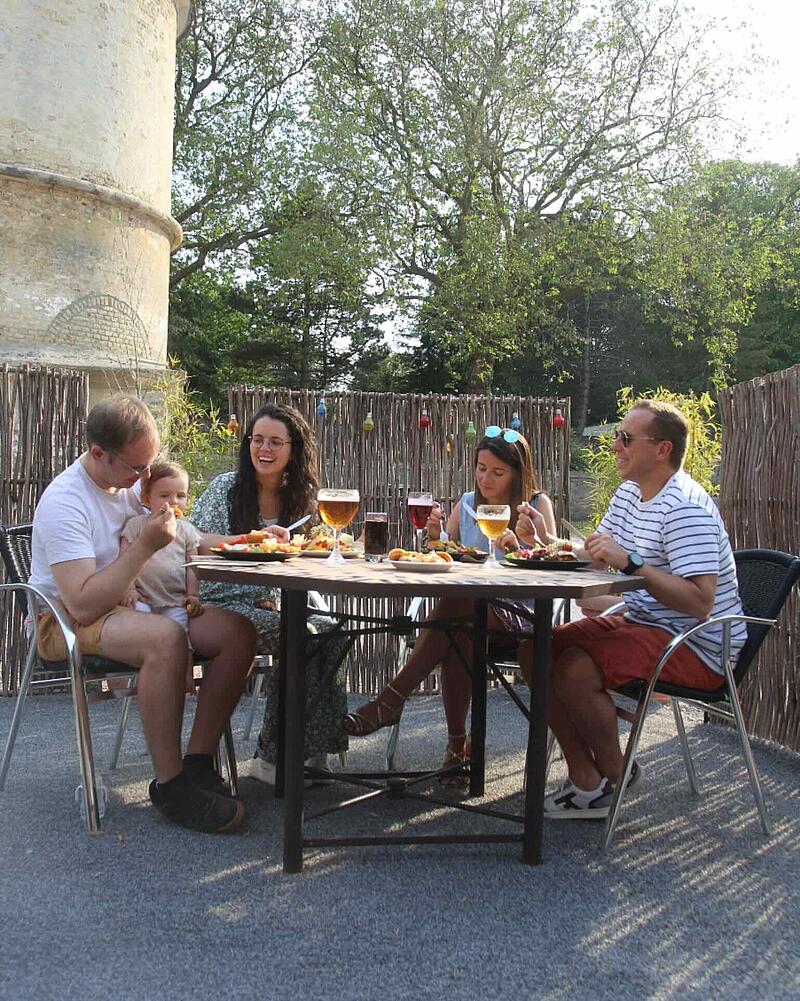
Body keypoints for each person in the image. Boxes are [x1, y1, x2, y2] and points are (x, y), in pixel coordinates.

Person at [27, 395, 257, 834]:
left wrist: (251, 539)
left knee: (237, 633)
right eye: (137, 467)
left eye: (150, 464)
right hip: (65, 623)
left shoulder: (128, 482)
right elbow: (82, 604)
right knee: (165, 639)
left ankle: (197, 762)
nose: (145, 477)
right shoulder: (65, 503)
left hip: (142, 604)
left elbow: (185, 535)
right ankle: (171, 787)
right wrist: (143, 549)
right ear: (99, 453)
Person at [541, 400, 746, 819]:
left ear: (662, 449)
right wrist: (543, 541)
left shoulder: (686, 508)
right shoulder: (630, 492)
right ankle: (587, 777)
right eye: (618, 436)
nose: (615, 445)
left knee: (575, 669)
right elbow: (600, 558)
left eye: (626, 438)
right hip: (644, 622)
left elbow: (700, 603)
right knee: (537, 650)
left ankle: (612, 777)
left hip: (696, 645)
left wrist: (631, 562)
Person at [341, 427, 556, 781]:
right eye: (481, 467)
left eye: (497, 472)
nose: (485, 478)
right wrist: (435, 535)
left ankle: (393, 700)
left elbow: (551, 560)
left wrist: (523, 544)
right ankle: (455, 747)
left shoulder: (534, 504)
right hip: (471, 616)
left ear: (518, 474)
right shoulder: (468, 502)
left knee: (457, 612)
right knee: (458, 629)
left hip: (522, 617)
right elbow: (445, 554)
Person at [190, 403, 350, 785]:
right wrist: (248, 538)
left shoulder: (301, 500)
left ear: (294, 449)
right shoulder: (226, 488)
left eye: (276, 442)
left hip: (270, 602)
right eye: (258, 440)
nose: (265, 449)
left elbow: (303, 553)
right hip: (219, 601)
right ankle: (272, 758)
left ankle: (307, 749)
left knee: (330, 631)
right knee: (298, 633)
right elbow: (195, 541)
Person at [121, 460, 203, 693]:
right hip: (143, 598)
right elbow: (124, 559)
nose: (173, 502)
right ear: (147, 499)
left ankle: (185, 679)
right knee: (142, 633)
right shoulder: (137, 526)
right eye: (164, 495)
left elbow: (192, 566)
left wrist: (193, 594)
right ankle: (144, 682)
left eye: (180, 496)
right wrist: (129, 588)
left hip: (174, 600)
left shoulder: (186, 530)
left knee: (180, 635)